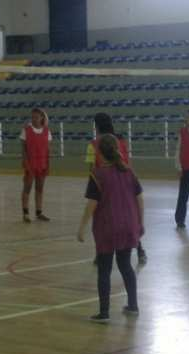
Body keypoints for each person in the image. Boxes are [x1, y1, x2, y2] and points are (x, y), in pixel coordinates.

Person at [77, 134, 144, 323]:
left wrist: (81, 227)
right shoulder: (129, 172)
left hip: (107, 227)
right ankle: (133, 305)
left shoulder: (97, 175)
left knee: (104, 270)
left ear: (99, 152)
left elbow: (92, 204)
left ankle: (104, 312)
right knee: (126, 266)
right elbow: (140, 199)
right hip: (128, 225)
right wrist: (141, 223)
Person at [86, 113, 147, 264]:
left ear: (97, 126)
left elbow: (91, 170)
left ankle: (101, 254)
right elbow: (127, 164)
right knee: (130, 220)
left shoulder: (93, 145)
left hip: (105, 189)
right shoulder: (121, 142)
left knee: (101, 222)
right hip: (125, 186)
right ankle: (140, 251)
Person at [21, 108, 52, 223]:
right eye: (32, 117)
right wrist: (25, 163)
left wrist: (48, 165)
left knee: (40, 189)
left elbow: (48, 150)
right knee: (27, 188)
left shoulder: (47, 131)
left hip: (42, 164)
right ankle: (25, 213)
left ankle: (39, 212)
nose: (34, 119)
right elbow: (23, 149)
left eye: (36, 117)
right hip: (30, 164)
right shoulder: (26, 130)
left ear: (42, 117)